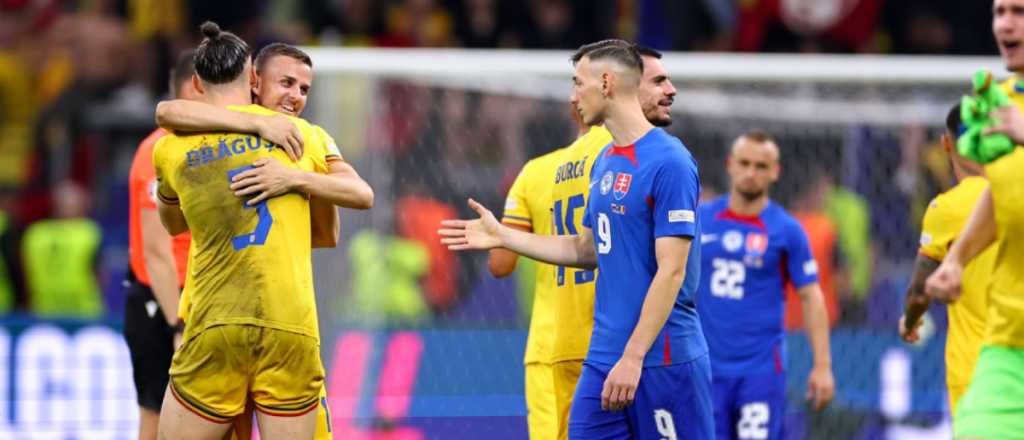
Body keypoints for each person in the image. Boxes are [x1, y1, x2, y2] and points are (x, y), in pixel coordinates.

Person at [440, 39, 712, 439]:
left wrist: (634, 357)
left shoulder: (670, 161)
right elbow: (585, 248)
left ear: (606, 83)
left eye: (578, 82)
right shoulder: (605, 162)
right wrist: (503, 236)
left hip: (662, 354)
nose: (572, 95)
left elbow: (672, 271)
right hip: (602, 354)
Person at [153, 22, 368, 439]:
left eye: (303, 89)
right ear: (254, 79)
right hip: (289, 325)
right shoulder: (303, 137)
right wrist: (293, 172)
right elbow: (337, 224)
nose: (296, 96)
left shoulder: (170, 146)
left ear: (196, 83)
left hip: (214, 323)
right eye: (286, 83)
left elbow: (172, 223)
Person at [488, 45, 677, 440]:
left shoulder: (536, 171)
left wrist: (504, 234)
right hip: (619, 334)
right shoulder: (625, 154)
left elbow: (500, 265)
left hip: (552, 340)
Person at [696, 131, 835, 440]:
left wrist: (822, 365)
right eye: (744, 163)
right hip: (704, 368)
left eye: (761, 166)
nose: (751, 172)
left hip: (760, 371)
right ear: (730, 165)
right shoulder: (699, 220)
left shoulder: (787, 230)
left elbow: (811, 296)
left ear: (775, 172)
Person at [123, 49, 198, 440]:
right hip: (164, 302)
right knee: (157, 410)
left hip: (199, 296)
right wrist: (177, 326)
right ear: (197, 87)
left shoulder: (208, 146)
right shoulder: (159, 150)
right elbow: (156, 252)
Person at [898, 104, 993, 416]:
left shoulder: (946, 210)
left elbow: (919, 292)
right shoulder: (1015, 196)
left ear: (946, 144)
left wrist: (910, 321)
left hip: (975, 373)